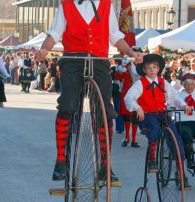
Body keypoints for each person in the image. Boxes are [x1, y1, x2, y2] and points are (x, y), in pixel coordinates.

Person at [35, 0, 143, 183]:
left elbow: (115, 36)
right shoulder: (66, 4)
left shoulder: (106, 5)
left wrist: (131, 52)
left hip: (99, 60)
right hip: (72, 60)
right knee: (67, 105)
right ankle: (61, 160)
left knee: (105, 111)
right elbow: (54, 33)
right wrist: (45, 49)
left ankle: (104, 164)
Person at [124, 54, 190, 189]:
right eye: (148, 68)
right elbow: (128, 98)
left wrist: (183, 105)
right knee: (154, 129)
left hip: (162, 114)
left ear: (158, 68)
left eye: (154, 67)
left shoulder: (163, 82)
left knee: (177, 141)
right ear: (144, 70)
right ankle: (152, 159)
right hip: (148, 115)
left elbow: (174, 97)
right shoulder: (140, 83)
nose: (152, 70)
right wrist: (137, 107)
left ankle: (181, 174)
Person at [114, 59, 140, 148]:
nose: (128, 67)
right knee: (127, 117)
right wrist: (122, 66)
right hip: (126, 96)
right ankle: (127, 137)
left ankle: (133, 139)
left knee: (136, 118)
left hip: (137, 97)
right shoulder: (125, 71)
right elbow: (117, 76)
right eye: (127, 65)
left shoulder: (139, 70)